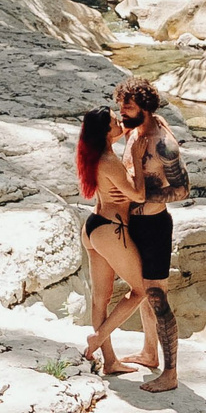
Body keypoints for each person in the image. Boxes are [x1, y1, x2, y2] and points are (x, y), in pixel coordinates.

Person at [113, 77, 189, 391]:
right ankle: (149, 353)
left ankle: (170, 374)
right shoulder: (135, 128)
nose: (121, 113)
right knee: (141, 289)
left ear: (144, 108)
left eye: (127, 107)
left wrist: (143, 197)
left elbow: (183, 189)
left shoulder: (163, 144)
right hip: (132, 224)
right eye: (120, 106)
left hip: (154, 227)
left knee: (157, 297)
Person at [73, 107, 150, 376]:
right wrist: (137, 160)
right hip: (111, 230)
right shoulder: (108, 159)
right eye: (115, 121)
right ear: (106, 131)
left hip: (93, 228)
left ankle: (110, 362)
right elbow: (138, 195)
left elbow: (121, 132)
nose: (120, 121)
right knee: (141, 289)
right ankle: (98, 337)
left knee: (100, 300)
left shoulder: (95, 155)